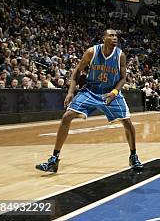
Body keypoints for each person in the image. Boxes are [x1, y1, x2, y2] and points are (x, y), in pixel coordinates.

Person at [35, 29, 143, 173]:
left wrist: (115, 92)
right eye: (111, 35)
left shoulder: (120, 55)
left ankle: (133, 156)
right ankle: (54, 159)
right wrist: (70, 92)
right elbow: (76, 72)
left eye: (116, 35)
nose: (115, 37)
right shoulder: (92, 52)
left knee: (127, 122)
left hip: (111, 92)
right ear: (104, 38)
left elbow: (123, 78)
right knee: (67, 117)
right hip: (91, 91)